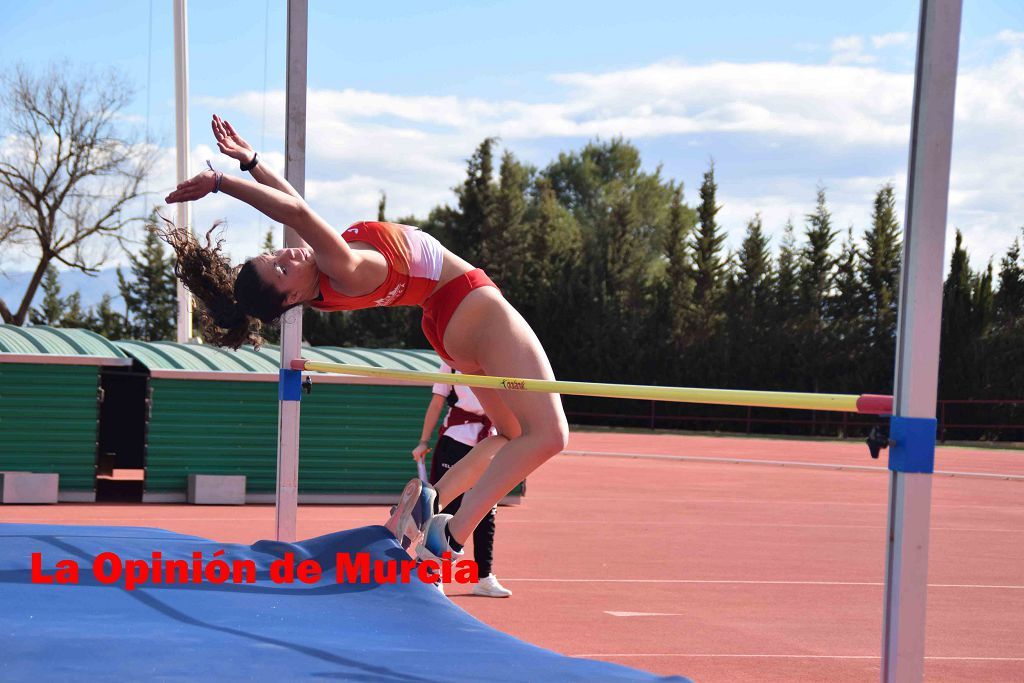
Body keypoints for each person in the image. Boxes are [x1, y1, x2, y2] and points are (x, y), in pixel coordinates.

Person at [161, 115, 568, 566]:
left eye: (273, 254)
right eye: (280, 269)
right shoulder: (342, 269)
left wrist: (252, 163)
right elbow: (295, 212)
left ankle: (429, 501)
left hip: (446, 325)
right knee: (550, 435)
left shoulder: (322, 273)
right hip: (471, 306)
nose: (286, 253)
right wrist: (220, 182)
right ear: (292, 295)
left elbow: (294, 204)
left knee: (509, 435)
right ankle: (451, 535)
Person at [413, 364, 511, 598]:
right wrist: (423, 441)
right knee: (448, 508)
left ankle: (484, 577)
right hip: (456, 439)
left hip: (491, 440)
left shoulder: (499, 358)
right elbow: (437, 401)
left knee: (486, 509)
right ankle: (432, 572)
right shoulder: (451, 361)